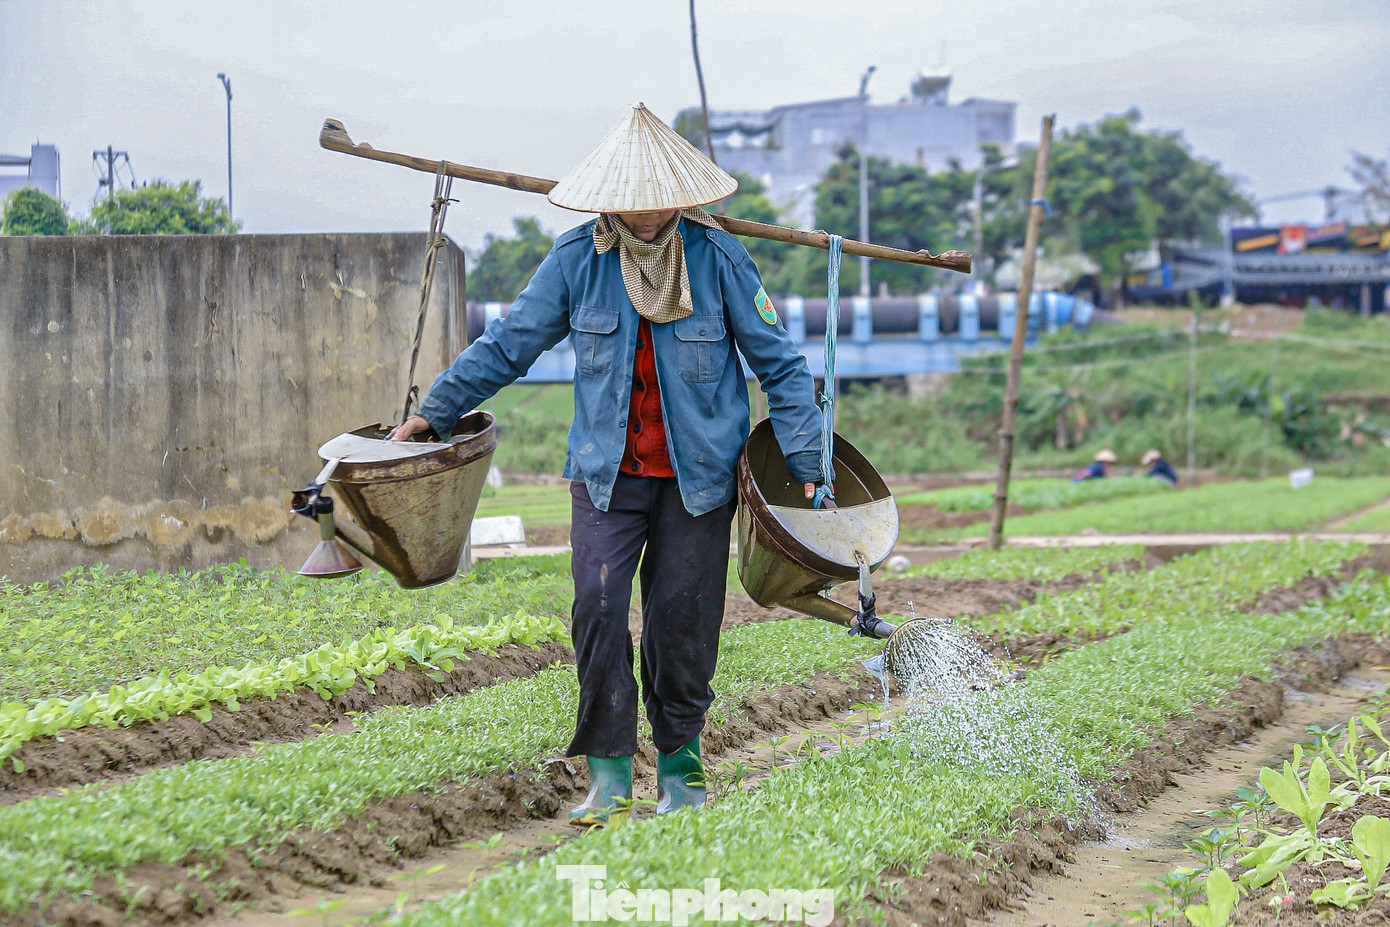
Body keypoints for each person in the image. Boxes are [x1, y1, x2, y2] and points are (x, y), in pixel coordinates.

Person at [390, 105, 824, 826]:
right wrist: (436, 411)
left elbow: (780, 365)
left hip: (699, 482)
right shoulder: (576, 261)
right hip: (605, 477)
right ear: (610, 197)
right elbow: (508, 344)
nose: (646, 215)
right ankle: (610, 772)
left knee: (681, 622)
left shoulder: (721, 262)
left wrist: (805, 460)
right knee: (595, 609)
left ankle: (681, 767)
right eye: (632, 200)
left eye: (660, 200)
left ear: (681, 197)